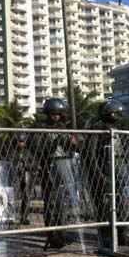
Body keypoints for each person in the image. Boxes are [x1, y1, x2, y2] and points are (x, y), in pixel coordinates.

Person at [30, 97, 78, 249]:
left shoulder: (63, 127)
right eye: (53, 114)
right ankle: (53, 236)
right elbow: (36, 149)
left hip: (65, 165)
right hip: (49, 167)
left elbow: (74, 147)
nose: (56, 116)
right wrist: (52, 142)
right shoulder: (39, 128)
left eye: (58, 113)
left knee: (62, 203)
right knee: (51, 203)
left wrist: (72, 142)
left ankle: (62, 233)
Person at [85, 99, 128, 249]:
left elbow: (123, 152)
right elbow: (90, 154)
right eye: (115, 112)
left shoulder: (118, 129)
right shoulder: (98, 130)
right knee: (104, 207)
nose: (117, 115)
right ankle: (106, 237)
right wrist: (98, 175)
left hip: (119, 172)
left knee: (122, 205)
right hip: (103, 173)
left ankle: (121, 234)